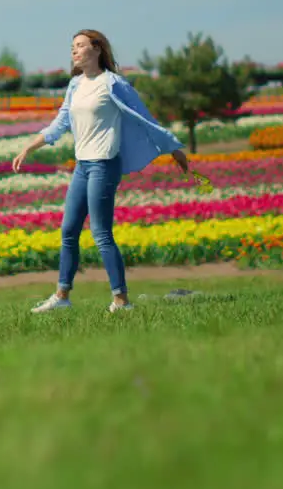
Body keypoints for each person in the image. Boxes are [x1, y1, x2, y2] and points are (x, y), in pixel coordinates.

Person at [11, 29, 190, 313]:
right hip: (83, 166)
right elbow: (60, 123)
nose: (74, 51)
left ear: (97, 49)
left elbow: (146, 118)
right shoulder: (75, 85)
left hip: (105, 164)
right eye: (72, 46)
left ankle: (121, 301)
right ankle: (62, 297)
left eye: (80, 46)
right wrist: (29, 148)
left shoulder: (114, 83)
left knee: (101, 233)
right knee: (69, 230)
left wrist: (175, 150)